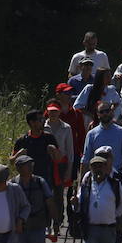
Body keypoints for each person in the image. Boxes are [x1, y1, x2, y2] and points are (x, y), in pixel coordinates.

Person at [43, 100, 74, 233]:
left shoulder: (66, 128)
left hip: (61, 164)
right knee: (45, 194)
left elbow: (70, 150)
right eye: (51, 111)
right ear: (47, 112)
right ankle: (47, 223)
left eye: (55, 111)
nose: (53, 114)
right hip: (46, 164)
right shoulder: (42, 127)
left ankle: (59, 220)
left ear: (59, 112)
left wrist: (69, 170)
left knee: (59, 194)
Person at [11, 108, 60, 189]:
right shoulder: (22, 140)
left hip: (46, 179)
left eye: (43, 119)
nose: (44, 121)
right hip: (26, 181)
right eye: (40, 119)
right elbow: (11, 161)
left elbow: (59, 159)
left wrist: (54, 150)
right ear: (32, 122)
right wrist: (18, 155)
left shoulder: (49, 138)